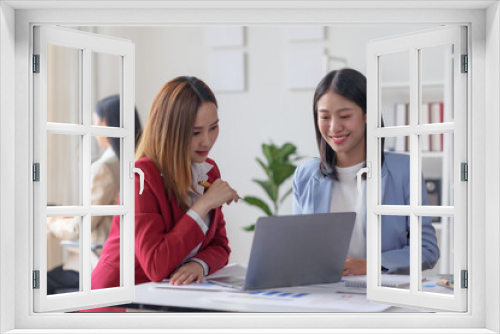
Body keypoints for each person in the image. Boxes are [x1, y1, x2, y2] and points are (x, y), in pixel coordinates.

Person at [90, 76, 238, 292]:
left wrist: (199, 264)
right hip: (120, 296)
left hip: (168, 295)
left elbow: (220, 245)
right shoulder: (140, 177)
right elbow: (155, 264)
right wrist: (203, 205)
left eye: (213, 127)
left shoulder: (208, 170)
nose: (207, 141)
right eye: (196, 132)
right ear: (170, 131)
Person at [292, 68, 439, 275]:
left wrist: (372, 264)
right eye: (324, 117)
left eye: (344, 116)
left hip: (382, 291)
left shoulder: (403, 171)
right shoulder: (305, 175)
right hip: (324, 291)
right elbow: (300, 248)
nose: (334, 127)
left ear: (367, 115)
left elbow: (427, 250)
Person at [46, 95, 142, 294]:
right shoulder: (140, 163)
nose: (92, 127)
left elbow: (80, 227)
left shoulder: (104, 168)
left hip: (98, 265)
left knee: (36, 283)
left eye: (94, 121)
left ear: (105, 123)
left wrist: (51, 222)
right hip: (133, 262)